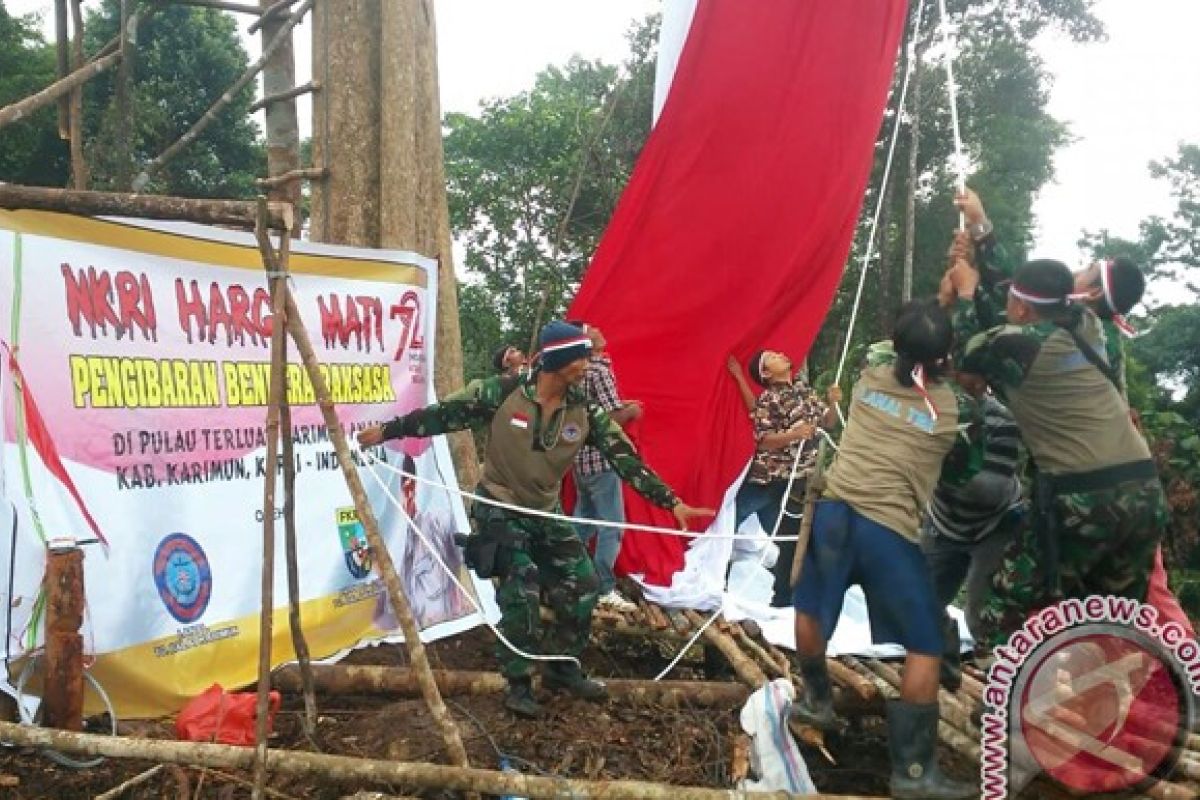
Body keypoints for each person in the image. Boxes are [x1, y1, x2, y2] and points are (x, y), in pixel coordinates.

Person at [358, 320, 712, 718]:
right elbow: (446, 414)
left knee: (583, 583)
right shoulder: (503, 392)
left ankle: (563, 667)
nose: (587, 362)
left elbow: (624, 457)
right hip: (499, 507)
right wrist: (389, 430)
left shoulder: (585, 411)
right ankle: (519, 681)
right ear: (558, 360)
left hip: (545, 511)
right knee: (521, 583)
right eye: (580, 356)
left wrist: (672, 502)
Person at [953, 189, 1189, 639]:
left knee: (1002, 611)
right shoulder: (1091, 327)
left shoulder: (1019, 345)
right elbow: (1013, 301)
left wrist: (966, 292)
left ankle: (1014, 705)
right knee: (1113, 621)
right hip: (1142, 492)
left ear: (1021, 309)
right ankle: (1112, 704)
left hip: (1083, 498)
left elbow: (972, 348)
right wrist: (982, 231)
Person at [790, 299, 979, 800]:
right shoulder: (954, 410)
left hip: (834, 515)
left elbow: (898, 346)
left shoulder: (868, 376)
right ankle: (914, 774)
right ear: (946, 355)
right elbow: (965, 472)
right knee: (924, 644)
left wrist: (937, 309)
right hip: (888, 531)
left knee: (810, 606)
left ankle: (815, 700)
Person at [920, 381, 1025, 689]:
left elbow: (991, 490)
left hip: (996, 524)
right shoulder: (929, 413)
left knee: (982, 612)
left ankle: (1003, 691)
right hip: (943, 522)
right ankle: (944, 670)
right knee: (923, 598)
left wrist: (945, 459)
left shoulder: (1001, 419)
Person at [725, 351, 839, 605]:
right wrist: (795, 435)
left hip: (796, 481)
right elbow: (763, 441)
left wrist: (833, 403)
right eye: (772, 357)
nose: (781, 354)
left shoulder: (805, 392)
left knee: (791, 539)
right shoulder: (769, 398)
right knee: (728, 525)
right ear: (766, 373)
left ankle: (783, 599)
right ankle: (715, 578)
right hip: (767, 480)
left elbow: (828, 423)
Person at [567, 321, 643, 613]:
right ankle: (604, 588)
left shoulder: (575, 373)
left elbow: (592, 410)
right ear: (584, 340)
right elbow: (610, 420)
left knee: (582, 521)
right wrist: (632, 411)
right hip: (602, 458)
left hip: (579, 459)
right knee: (612, 526)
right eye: (591, 328)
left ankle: (564, 573)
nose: (599, 328)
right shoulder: (599, 370)